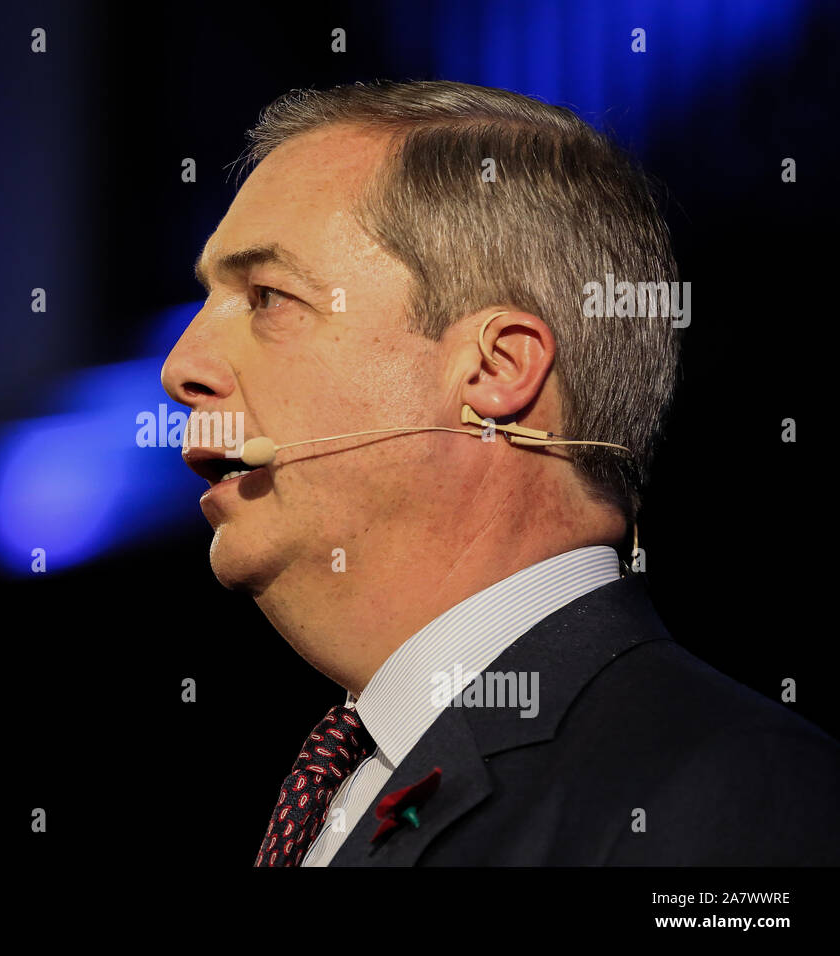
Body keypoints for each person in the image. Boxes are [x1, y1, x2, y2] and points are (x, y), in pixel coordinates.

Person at [160, 79, 840, 866]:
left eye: (268, 297)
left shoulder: (737, 793)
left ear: (497, 368)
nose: (181, 367)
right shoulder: (347, 784)